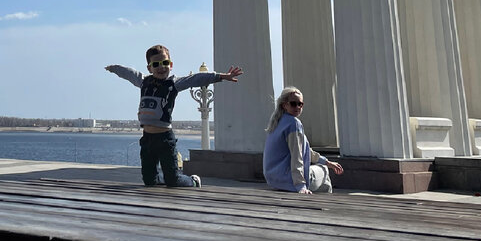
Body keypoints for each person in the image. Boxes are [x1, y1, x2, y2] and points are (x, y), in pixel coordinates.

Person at [106, 45, 242, 188]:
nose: (161, 67)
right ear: (149, 68)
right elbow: (129, 73)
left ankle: (193, 181)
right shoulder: (144, 81)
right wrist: (114, 68)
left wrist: (220, 76)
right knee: (148, 181)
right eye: (156, 64)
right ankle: (161, 177)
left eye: (165, 63)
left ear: (170, 65)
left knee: (173, 181)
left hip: (165, 139)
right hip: (147, 140)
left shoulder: (173, 84)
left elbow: (195, 79)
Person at [263, 87, 343, 194]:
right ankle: (326, 206)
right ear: (284, 105)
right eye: (293, 104)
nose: (297, 107)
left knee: (323, 171)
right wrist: (300, 185)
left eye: (300, 104)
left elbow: (303, 150)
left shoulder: (276, 123)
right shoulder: (293, 123)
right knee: (324, 170)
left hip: (274, 180)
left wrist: (327, 161)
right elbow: (297, 156)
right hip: (289, 181)